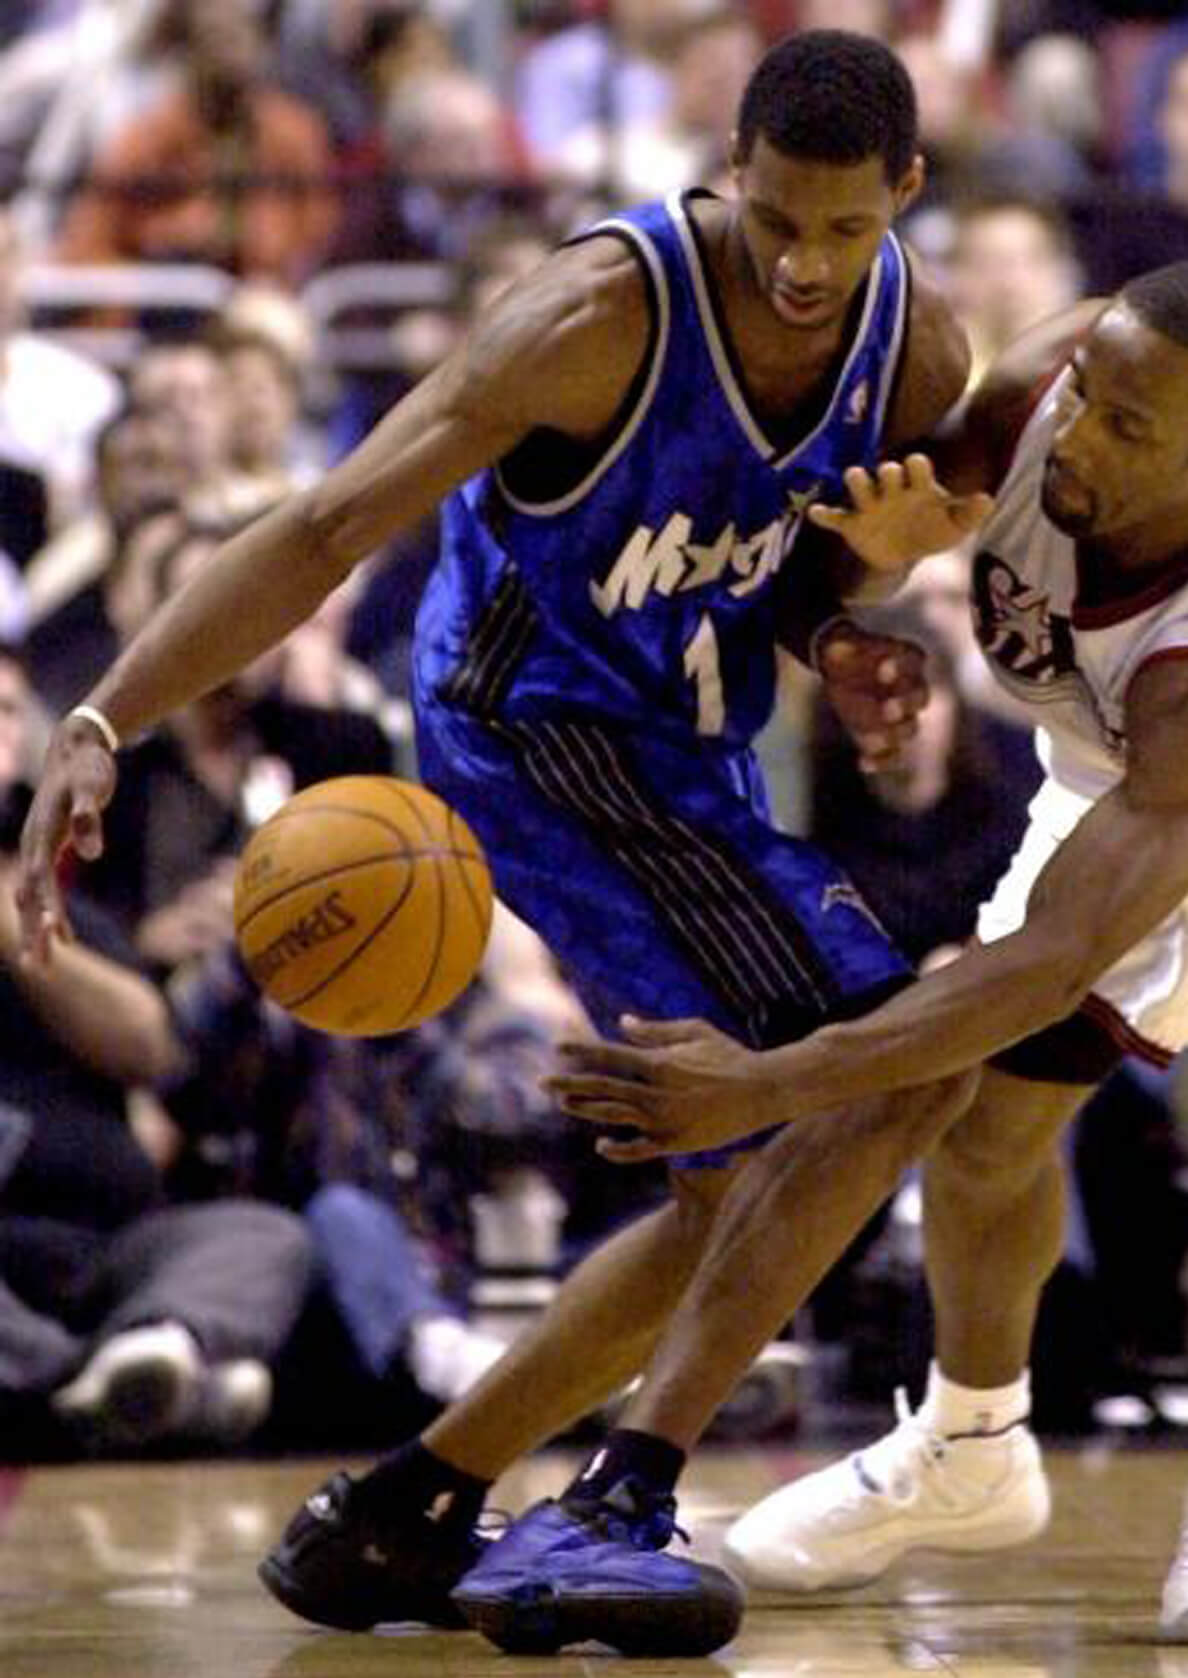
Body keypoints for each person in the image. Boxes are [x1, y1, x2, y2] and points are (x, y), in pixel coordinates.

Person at [13, 31, 988, 1658]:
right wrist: (105, 714)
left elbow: (796, 570)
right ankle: (614, 1500)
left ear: (907, 190)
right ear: (727, 172)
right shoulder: (598, 318)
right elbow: (327, 525)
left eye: (846, 227)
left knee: (757, 1168)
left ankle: (402, 1507)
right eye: (776, 221)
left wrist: (843, 637)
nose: (808, 265)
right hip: (526, 726)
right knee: (896, 1064)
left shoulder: (918, 347)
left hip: (682, 747)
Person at [547, 259, 1188, 1639]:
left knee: (1025, 1043)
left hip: (1164, 789)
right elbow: (814, 577)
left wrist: (766, 1086)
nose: (1077, 434)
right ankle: (972, 1443)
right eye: (1091, 392)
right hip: (1107, 777)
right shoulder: (1051, 388)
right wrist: (862, 595)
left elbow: (1052, 957)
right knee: (994, 1124)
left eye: (1130, 428)